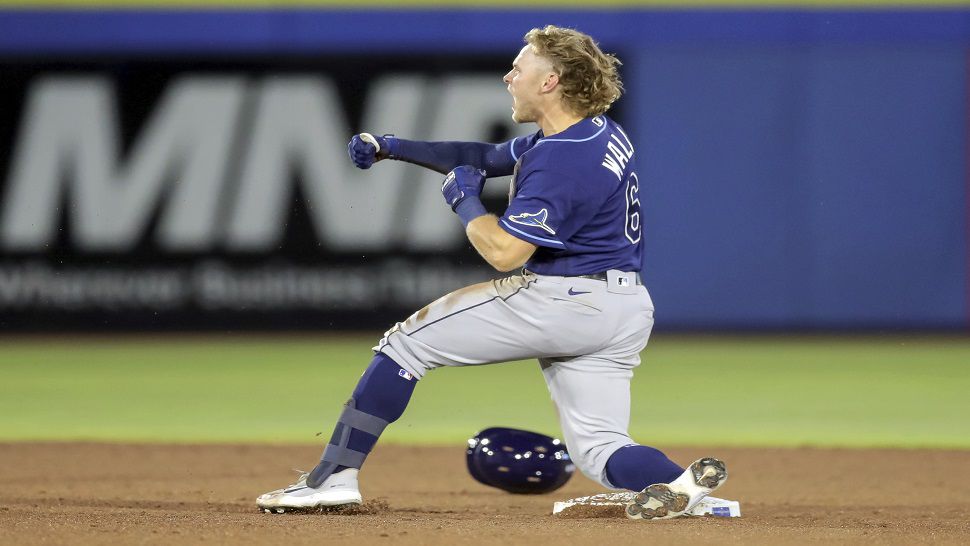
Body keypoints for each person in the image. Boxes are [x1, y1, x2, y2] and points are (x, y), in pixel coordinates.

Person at [256, 24, 727, 521]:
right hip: (623, 308)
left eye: (519, 69)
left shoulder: (564, 161)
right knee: (599, 448)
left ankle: (332, 478)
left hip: (565, 300)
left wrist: (465, 203)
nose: (508, 77)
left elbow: (505, 252)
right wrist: (390, 145)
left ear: (550, 82)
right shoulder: (591, 133)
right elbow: (481, 156)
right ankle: (682, 487)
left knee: (406, 345)